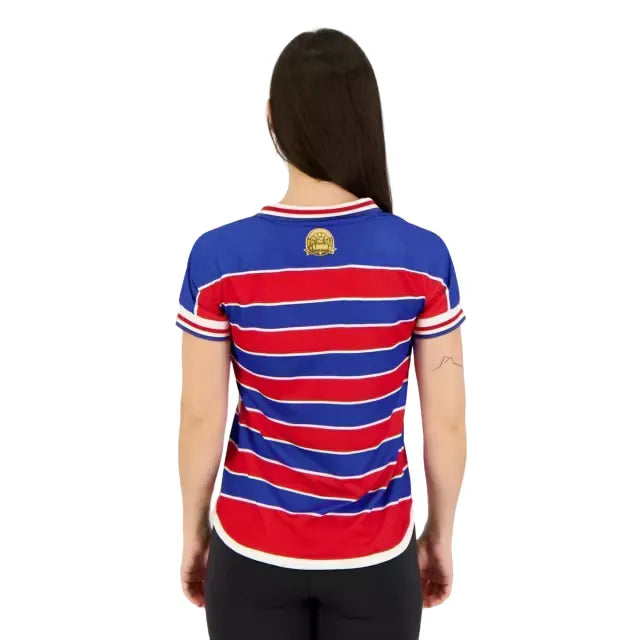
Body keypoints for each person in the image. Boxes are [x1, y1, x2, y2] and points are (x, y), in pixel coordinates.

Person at [176, 28, 467, 640]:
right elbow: (445, 421)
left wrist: (193, 532)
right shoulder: (422, 260)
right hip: (377, 558)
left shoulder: (219, 260)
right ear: (366, 119)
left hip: (250, 552)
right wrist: (440, 536)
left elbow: (201, 416)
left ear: (272, 119)